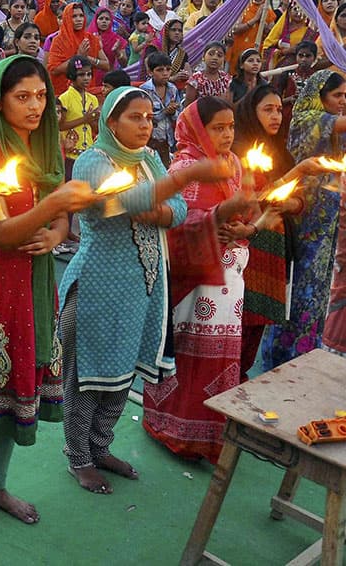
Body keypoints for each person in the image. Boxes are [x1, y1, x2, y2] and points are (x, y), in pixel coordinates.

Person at [0, 55, 95, 535]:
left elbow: (58, 213)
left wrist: (57, 229)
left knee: (16, 387)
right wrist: (55, 206)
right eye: (21, 96)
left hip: (33, 285)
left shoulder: (45, 148)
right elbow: (2, 233)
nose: (34, 106)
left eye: (41, 96)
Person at [60, 87, 227, 492]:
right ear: (111, 122)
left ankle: (100, 447)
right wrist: (183, 178)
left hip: (143, 288)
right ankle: (78, 456)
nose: (145, 125)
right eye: (135, 117)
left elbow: (180, 209)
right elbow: (129, 201)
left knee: (121, 375)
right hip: (97, 287)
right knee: (87, 378)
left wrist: (165, 209)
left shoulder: (151, 158)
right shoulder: (90, 162)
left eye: (150, 117)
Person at [143, 97, 253, 464]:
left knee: (219, 356)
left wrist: (243, 226)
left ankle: (210, 434)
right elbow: (176, 223)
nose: (227, 135)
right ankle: (172, 429)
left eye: (231, 127)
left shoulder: (234, 164)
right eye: (217, 128)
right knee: (186, 353)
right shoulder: (186, 165)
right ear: (196, 129)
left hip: (228, 279)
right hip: (194, 279)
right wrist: (213, 223)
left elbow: (245, 211)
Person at [234, 85, 325, 378]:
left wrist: (291, 203)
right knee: (237, 322)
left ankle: (240, 379)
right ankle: (225, 383)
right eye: (267, 110)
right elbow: (254, 198)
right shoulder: (238, 151)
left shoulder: (279, 152)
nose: (276, 116)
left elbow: (299, 202)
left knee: (257, 323)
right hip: (245, 249)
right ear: (251, 111)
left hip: (273, 249)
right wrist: (297, 172)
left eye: (277, 110)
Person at [261, 71, 346, 369]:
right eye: (337, 95)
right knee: (296, 287)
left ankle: (304, 353)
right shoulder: (308, 119)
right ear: (320, 96)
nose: (342, 101)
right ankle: (280, 355)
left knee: (319, 288)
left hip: (328, 221)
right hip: (301, 215)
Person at [47, 3, 109, 95]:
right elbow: (54, 70)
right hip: (65, 93)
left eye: (81, 16)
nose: (79, 19)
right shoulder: (58, 41)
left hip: (87, 91)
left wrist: (87, 59)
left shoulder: (91, 39)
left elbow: (106, 65)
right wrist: (78, 57)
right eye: (74, 16)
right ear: (67, 18)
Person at [140, 51, 181, 166]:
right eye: (160, 70)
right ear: (150, 72)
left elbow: (178, 115)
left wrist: (173, 112)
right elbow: (143, 117)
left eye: (168, 69)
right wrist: (165, 112)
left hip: (168, 141)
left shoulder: (173, 89)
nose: (165, 73)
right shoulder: (145, 91)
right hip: (149, 139)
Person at [58, 56, 99, 170]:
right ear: (72, 76)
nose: (86, 78)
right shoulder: (65, 98)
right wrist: (85, 119)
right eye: (81, 75)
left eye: (89, 74)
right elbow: (60, 126)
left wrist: (93, 119)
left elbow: (95, 128)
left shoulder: (93, 99)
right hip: (71, 154)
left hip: (89, 154)